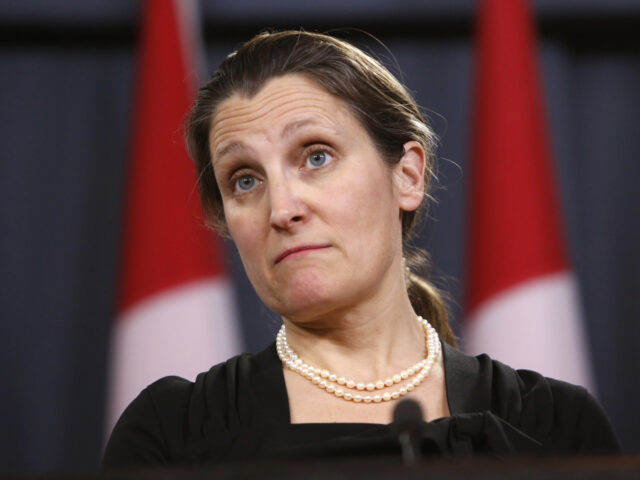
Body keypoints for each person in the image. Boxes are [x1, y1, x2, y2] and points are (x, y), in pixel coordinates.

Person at [102, 30, 619, 467]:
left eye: (316, 157)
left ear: (408, 175)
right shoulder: (171, 436)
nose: (282, 209)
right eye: (244, 181)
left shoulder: (553, 427)